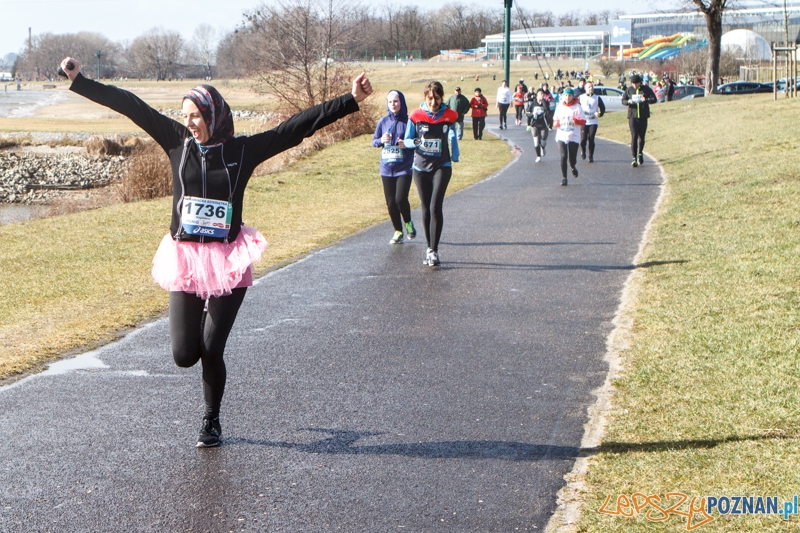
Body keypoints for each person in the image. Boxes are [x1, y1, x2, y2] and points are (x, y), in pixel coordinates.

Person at [58, 56, 373, 448]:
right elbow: (131, 105)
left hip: (227, 262)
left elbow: (295, 129)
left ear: (214, 115)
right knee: (183, 355)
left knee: (211, 349)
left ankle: (211, 420)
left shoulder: (242, 151)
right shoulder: (177, 142)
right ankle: (200, 320)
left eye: (196, 115)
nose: (190, 122)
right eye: (185, 115)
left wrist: (350, 99)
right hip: (186, 260)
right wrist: (80, 80)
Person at [403, 81, 459, 267]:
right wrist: (415, 143)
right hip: (420, 167)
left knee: (436, 206)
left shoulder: (449, 115)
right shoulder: (416, 115)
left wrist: (455, 150)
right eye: (430, 98)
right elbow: (407, 140)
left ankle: (434, 250)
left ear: (442, 97)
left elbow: (452, 133)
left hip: (442, 165)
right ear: (425, 98)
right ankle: (428, 247)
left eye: (437, 98)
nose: (433, 102)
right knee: (426, 207)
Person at [372, 90, 416, 244]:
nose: (393, 105)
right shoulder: (383, 122)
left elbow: (417, 142)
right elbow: (374, 141)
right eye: (390, 102)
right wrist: (381, 140)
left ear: (401, 102)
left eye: (396, 101)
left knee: (400, 199)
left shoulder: (409, 122)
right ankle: (398, 231)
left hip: (404, 168)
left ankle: (409, 223)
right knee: (390, 202)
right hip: (386, 168)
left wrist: (407, 144)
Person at [551, 88, 586, 186]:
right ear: (563, 96)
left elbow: (583, 121)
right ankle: (564, 178)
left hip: (574, 136)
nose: (567, 97)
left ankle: (572, 167)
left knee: (572, 159)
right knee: (563, 156)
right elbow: (555, 120)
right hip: (562, 135)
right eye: (566, 95)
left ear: (572, 96)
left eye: (569, 95)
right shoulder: (559, 107)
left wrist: (576, 121)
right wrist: (556, 124)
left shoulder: (577, 107)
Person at [621, 73, 657, 167]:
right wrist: (629, 101)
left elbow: (654, 99)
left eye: (636, 83)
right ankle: (634, 158)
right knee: (634, 136)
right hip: (632, 116)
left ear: (639, 83)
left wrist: (646, 100)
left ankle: (640, 153)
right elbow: (623, 100)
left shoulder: (645, 89)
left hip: (643, 116)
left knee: (642, 137)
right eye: (633, 83)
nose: (634, 85)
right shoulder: (629, 90)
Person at [578, 81, 605, 163]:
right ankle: (583, 150)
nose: (591, 88)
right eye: (589, 87)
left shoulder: (597, 98)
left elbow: (603, 108)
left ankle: (591, 156)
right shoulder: (581, 97)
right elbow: (577, 108)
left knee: (591, 138)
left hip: (593, 122)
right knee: (583, 139)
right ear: (585, 88)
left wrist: (599, 113)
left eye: (592, 87)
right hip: (584, 121)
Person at [526, 89, 550, 163]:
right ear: (537, 95)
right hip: (535, 124)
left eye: (542, 94)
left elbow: (547, 109)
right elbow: (527, 113)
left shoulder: (545, 103)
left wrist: (543, 101)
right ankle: (538, 156)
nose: (541, 95)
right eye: (539, 93)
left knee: (543, 140)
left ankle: (543, 147)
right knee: (536, 141)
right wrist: (533, 114)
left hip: (543, 124)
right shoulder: (533, 103)